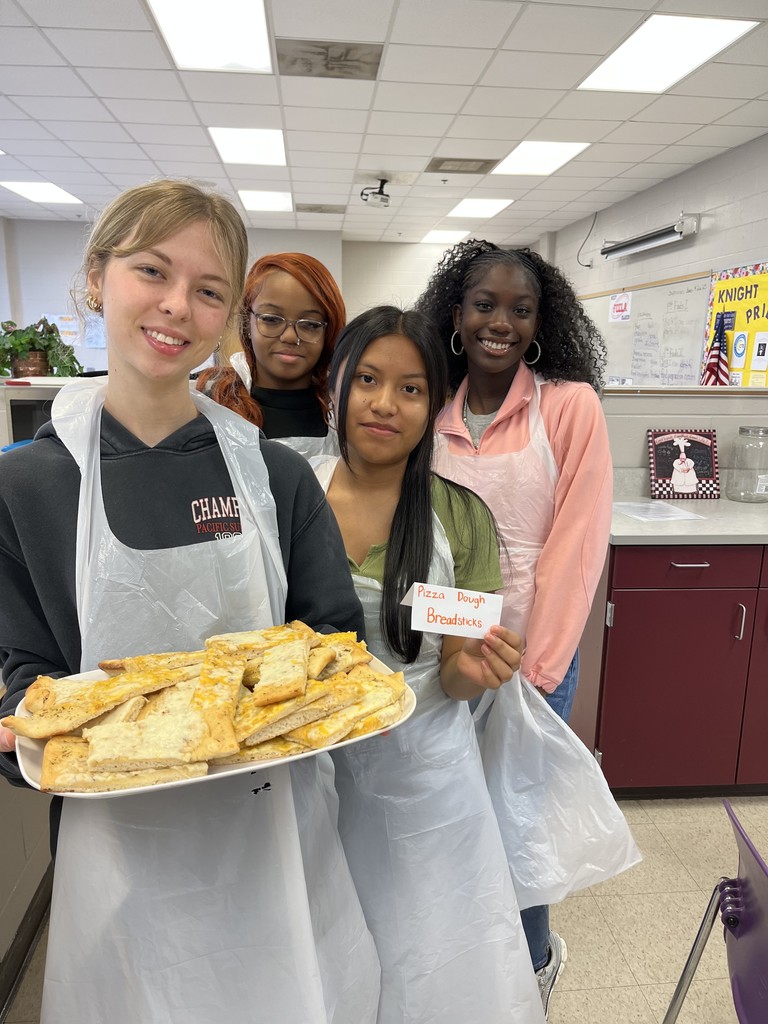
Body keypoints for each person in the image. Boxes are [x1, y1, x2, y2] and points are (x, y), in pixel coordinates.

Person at [0, 180, 379, 1024]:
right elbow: (17, 671)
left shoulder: (272, 475)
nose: (178, 306)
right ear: (97, 277)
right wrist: (18, 731)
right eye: (151, 271)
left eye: (209, 290)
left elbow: (333, 644)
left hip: (270, 832)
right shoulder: (27, 484)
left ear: (227, 315)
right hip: (118, 853)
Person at [311, 305, 545, 1024]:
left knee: (430, 958)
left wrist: (477, 671)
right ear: (335, 387)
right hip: (310, 771)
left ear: (434, 406)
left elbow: (452, 669)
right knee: (323, 949)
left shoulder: (459, 517)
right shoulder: (291, 494)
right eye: (369, 380)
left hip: (424, 783)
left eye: (411, 389)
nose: (385, 404)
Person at [416, 239, 612, 1016]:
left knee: (517, 830)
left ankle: (530, 972)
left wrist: (544, 669)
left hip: (532, 659)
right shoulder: (431, 401)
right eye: (485, 305)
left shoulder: (569, 406)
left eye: (519, 309)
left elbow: (578, 541)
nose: (501, 321)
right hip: (440, 654)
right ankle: (457, 970)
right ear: (456, 318)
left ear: (539, 324)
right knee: (443, 818)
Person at [197, 251, 345, 456]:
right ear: (247, 323)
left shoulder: (344, 415)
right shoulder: (208, 401)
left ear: (328, 332)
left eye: (310, 324)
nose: (290, 337)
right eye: (271, 319)